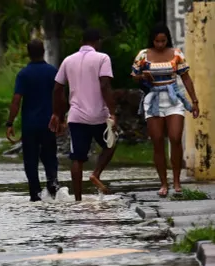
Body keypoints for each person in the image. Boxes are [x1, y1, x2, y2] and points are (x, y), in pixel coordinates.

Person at [131, 23, 199, 197]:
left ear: (167, 39)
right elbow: (134, 76)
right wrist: (143, 76)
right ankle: (163, 183)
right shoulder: (143, 55)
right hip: (153, 99)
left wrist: (194, 101)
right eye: (157, 41)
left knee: (176, 138)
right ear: (152, 40)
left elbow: (186, 77)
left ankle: (176, 181)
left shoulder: (176, 54)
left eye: (163, 41)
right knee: (158, 141)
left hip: (173, 98)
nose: (160, 44)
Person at [49, 28, 117, 202]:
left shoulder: (68, 60)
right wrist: (112, 112)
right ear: (98, 42)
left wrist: (58, 113)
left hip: (77, 117)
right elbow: (105, 86)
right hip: (99, 115)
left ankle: (78, 199)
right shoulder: (103, 58)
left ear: (82, 42)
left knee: (77, 158)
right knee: (111, 144)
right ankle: (95, 174)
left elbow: (57, 88)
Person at [6, 39, 60, 202]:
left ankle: (35, 194)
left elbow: (16, 100)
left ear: (28, 53)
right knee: (50, 156)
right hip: (49, 123)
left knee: (31, 160)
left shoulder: (23, 74)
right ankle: (53, 186)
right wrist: (61, 118)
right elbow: (60, 96)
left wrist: (10, 122)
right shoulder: (53, 72)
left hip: (30, 125)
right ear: (43, 51)